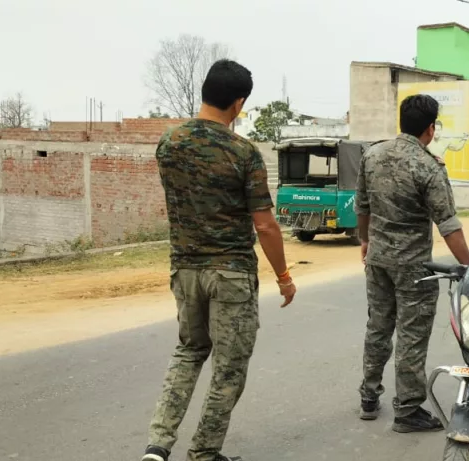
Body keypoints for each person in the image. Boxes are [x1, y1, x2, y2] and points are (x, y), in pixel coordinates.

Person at [142, 60, 296, 461]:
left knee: (189, 352)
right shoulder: (243, 152)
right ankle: (203, 453)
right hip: (230, 274)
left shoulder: (169, 143)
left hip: (185, 269)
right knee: (228, 369)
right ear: (239, 103)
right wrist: (283, 276)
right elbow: (265, 226)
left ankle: (157, 446)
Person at [355, 94, 469, 432]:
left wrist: (365, 241)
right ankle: (407, 410)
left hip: (378, 260)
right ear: (431, 128)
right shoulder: (428, 166)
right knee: (411, 334)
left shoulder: (372, 155)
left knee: (378, 327)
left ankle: (368, 395)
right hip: (413, 267)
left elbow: (361, 207)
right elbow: (448, 225)